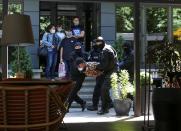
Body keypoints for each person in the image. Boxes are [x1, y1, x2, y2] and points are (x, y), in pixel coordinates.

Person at [94, 36, 118, 115]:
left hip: (111, 71)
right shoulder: (108, 47)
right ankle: (109, 104)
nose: (97, 44)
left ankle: (104, 108)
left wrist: (95, 66)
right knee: (103, 88)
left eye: (99, 42)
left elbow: (104, 65)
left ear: (102, 42)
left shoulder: (105, 50)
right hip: (109, 70)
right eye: (97, 42)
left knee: (104, 89)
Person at [87, 40, 113, 111]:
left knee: (100, 89)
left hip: (104, 72)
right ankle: (108, 103)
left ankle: (98, 105)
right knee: (99, 89)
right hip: (98, 73)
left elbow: (105, 63)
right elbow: (89, 61)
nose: (95, 45)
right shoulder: (92, 52)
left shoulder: (104, 51)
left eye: (96, 43)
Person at [68, 42, 88, 112]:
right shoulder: (72, 54)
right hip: (73, 75)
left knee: (73, 92)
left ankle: (66, 107)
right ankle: (82, 102)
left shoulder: (85, 54)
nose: (77, 48)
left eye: (79, 47)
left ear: (81, 47)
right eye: (76, 47)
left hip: (81, 76)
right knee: (71, 92)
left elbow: (86, 64)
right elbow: (71, 64)